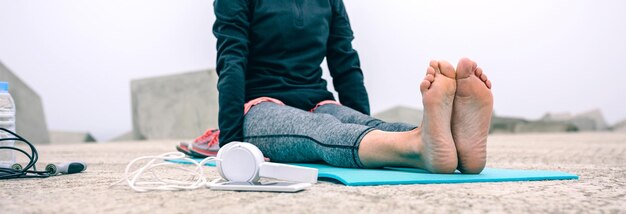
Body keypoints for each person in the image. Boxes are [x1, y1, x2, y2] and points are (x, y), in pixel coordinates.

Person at [211, 0, 493, 174]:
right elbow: (232, 63)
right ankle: (435, 144)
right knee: (323, 132)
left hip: (312, 103)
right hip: (265, 108)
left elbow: (345, 65)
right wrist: (232, 143)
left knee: (353, 128)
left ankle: (446, 143)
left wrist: (366, 126)